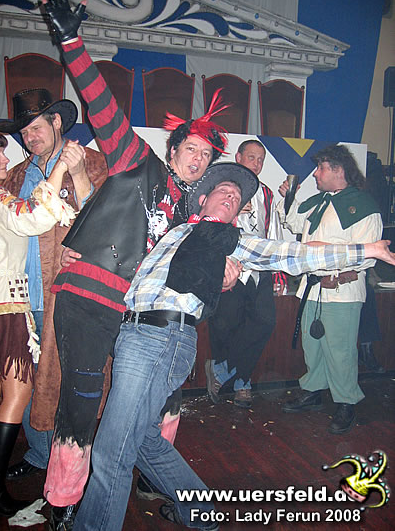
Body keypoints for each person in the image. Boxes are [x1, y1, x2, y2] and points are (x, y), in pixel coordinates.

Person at [72, 161, 395, 531]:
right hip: (134, 335)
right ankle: (201, 512)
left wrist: (366, 249)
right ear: (203, 199)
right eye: (224, 191)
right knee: (143, 440)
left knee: (111, 451)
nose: (231, 197)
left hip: (159, 336)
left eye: (237, 198)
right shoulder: (175, 231)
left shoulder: (229, 239)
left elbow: (294, 254)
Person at [40, 0, 237, 528]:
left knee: (161, 404)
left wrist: (226, 269)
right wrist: (71, 41)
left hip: (139, 319)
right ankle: (63, 503)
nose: (196, 159)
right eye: (190, 149)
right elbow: (101, 106)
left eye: (205, 155)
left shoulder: (193, 214)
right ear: (173, 149)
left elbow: (204, 260)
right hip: (90, 299)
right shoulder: (137, 160)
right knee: (81, 404)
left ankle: (154, 480)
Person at [0, 88, 108, 481]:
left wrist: (78, 175)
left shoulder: (93, 162)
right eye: (24, 132)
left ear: (57, 121)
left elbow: (105, 222)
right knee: (25, 380)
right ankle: (41, 455)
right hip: (18, 297)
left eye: (36, 128)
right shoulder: (16, 174)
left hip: (67, 295)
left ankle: (71, 466)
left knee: (65, 382)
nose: (29, 137)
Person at [0, 130, 75, 517]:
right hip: (5, 305)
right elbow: (32, 218)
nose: (5, 160)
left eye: (3, 154)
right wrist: (60, 170)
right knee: (18, 394)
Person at [279, 144, 383, 434]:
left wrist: (323, 254)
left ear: (338, 170)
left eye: (321, 168)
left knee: (340, 350)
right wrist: (288, 198)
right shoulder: (319, 201)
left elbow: (366, 255)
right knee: (312, 346)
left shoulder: (364, 206)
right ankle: (313, 391)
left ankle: (346, 401)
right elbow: (293, 222)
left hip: (341, 290)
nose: (316, 173)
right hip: (313, 289)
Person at [206, 139, 287, 408]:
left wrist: (278, 273)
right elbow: (205, 224)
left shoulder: (266, 193)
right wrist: (232, 213)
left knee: (265, 322)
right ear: (239, 157)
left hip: (259, 268)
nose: (257, 163)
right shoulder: (223, 188)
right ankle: (242, 382)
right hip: (230, 268)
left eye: (261, 159)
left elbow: (273, 231)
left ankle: (221, 372)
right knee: (227, 325)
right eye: (251, 157)